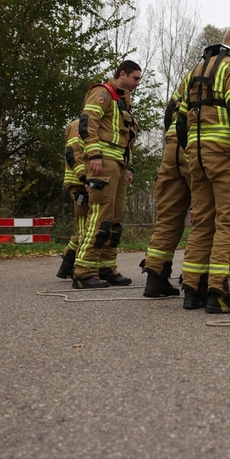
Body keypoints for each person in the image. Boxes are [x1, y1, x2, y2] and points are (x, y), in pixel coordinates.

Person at [176, 25, 230, 313]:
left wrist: (191, 152)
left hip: (198, 159)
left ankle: (194, 289)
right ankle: (224, 292)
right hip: (228, 158)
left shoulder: (195, 70)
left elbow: (179, 120)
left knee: (203, 224)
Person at [72, 60, 142, 289]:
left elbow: (127, 136)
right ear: (122, 74)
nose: (137, 83)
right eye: (135, 78)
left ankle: (106, 267)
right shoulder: (102, 93)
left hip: (119, 164)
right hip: (103, 164)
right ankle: (83, 271)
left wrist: (129, 166)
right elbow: (87, 123)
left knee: (114, 221)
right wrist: (93, 154)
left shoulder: (124, 100)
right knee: (99, 218)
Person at [139, 73, 191, 298]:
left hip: (172, 145)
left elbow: (169, 112)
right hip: (197, 144)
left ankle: (156, 280)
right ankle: (197, 281)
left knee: (168, 217)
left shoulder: (189, 77)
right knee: (209, 213)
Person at [56, 117, 89, 279]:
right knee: (84, 230)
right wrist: (85, 178)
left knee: (83, 229)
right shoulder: (80, 124)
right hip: (80, 185)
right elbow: (73, 152)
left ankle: (67, 265)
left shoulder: (81, 123)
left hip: (81, 183)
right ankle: (74, 267)